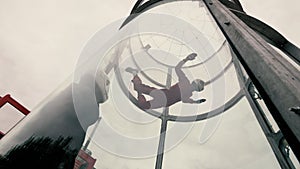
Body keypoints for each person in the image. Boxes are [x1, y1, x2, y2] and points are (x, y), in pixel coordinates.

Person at [126, 53, 206, 109]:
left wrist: (196, 102)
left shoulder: (188, 94)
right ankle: (135, 74)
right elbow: (177, 68)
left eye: (198, 87)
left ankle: (137, 84)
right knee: (139, 88)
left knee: (143, 104)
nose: (195, 87)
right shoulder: (185, 82)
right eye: (197, 86)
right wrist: (186, 59)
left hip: (164, 101)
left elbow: (186, 101)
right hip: (162, 95)